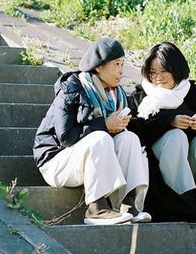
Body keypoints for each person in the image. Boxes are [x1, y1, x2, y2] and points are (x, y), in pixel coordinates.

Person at [33, 37, 151, 225]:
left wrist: (118, 126)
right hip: (57, 161)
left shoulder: (117, 95)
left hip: (88, 160)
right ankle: (96, 208)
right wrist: (105, 125)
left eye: (123, 64)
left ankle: (128, 204)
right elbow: (65, 137)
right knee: (100, 137)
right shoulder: (72, 87)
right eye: (116, 64)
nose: (122, 70)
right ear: (98, 66)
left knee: (129, 138)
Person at [130, 42, 196, 222]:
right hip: (159, 171)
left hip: (191, 164)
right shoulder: (142, 95)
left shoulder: (194, 93)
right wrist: (169, 121)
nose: (158, 77)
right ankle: (185, 201)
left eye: (164, 71)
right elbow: (137, 133)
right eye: (153, 72)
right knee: (175, 136)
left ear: (176, 69)